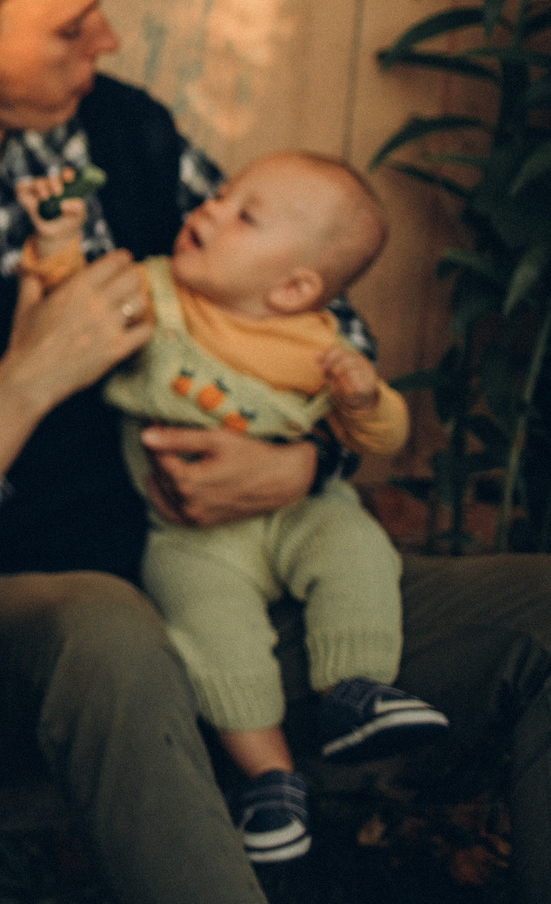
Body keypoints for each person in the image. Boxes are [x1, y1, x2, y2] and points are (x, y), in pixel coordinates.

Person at [0, 0, 551, 904]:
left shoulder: (126, 133)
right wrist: (24, 381)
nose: (104, 42)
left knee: (539, 612)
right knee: (106, 627)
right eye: (71, 28)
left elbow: (313, 310)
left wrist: (303, 457)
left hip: (222, 584)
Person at [22, 151, 444, 862]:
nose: (209, 209)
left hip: (303, 510)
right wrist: (60, 242)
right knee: (207, 625)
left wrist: (366, 398)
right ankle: (270, 778)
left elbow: (383, 433)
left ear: (294, 288)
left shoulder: (323, 344)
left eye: (243, 215)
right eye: (220, 196)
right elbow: (74, 306)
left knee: (359, 550)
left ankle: (356, 689)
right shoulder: (157, 293)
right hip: (191, 534)